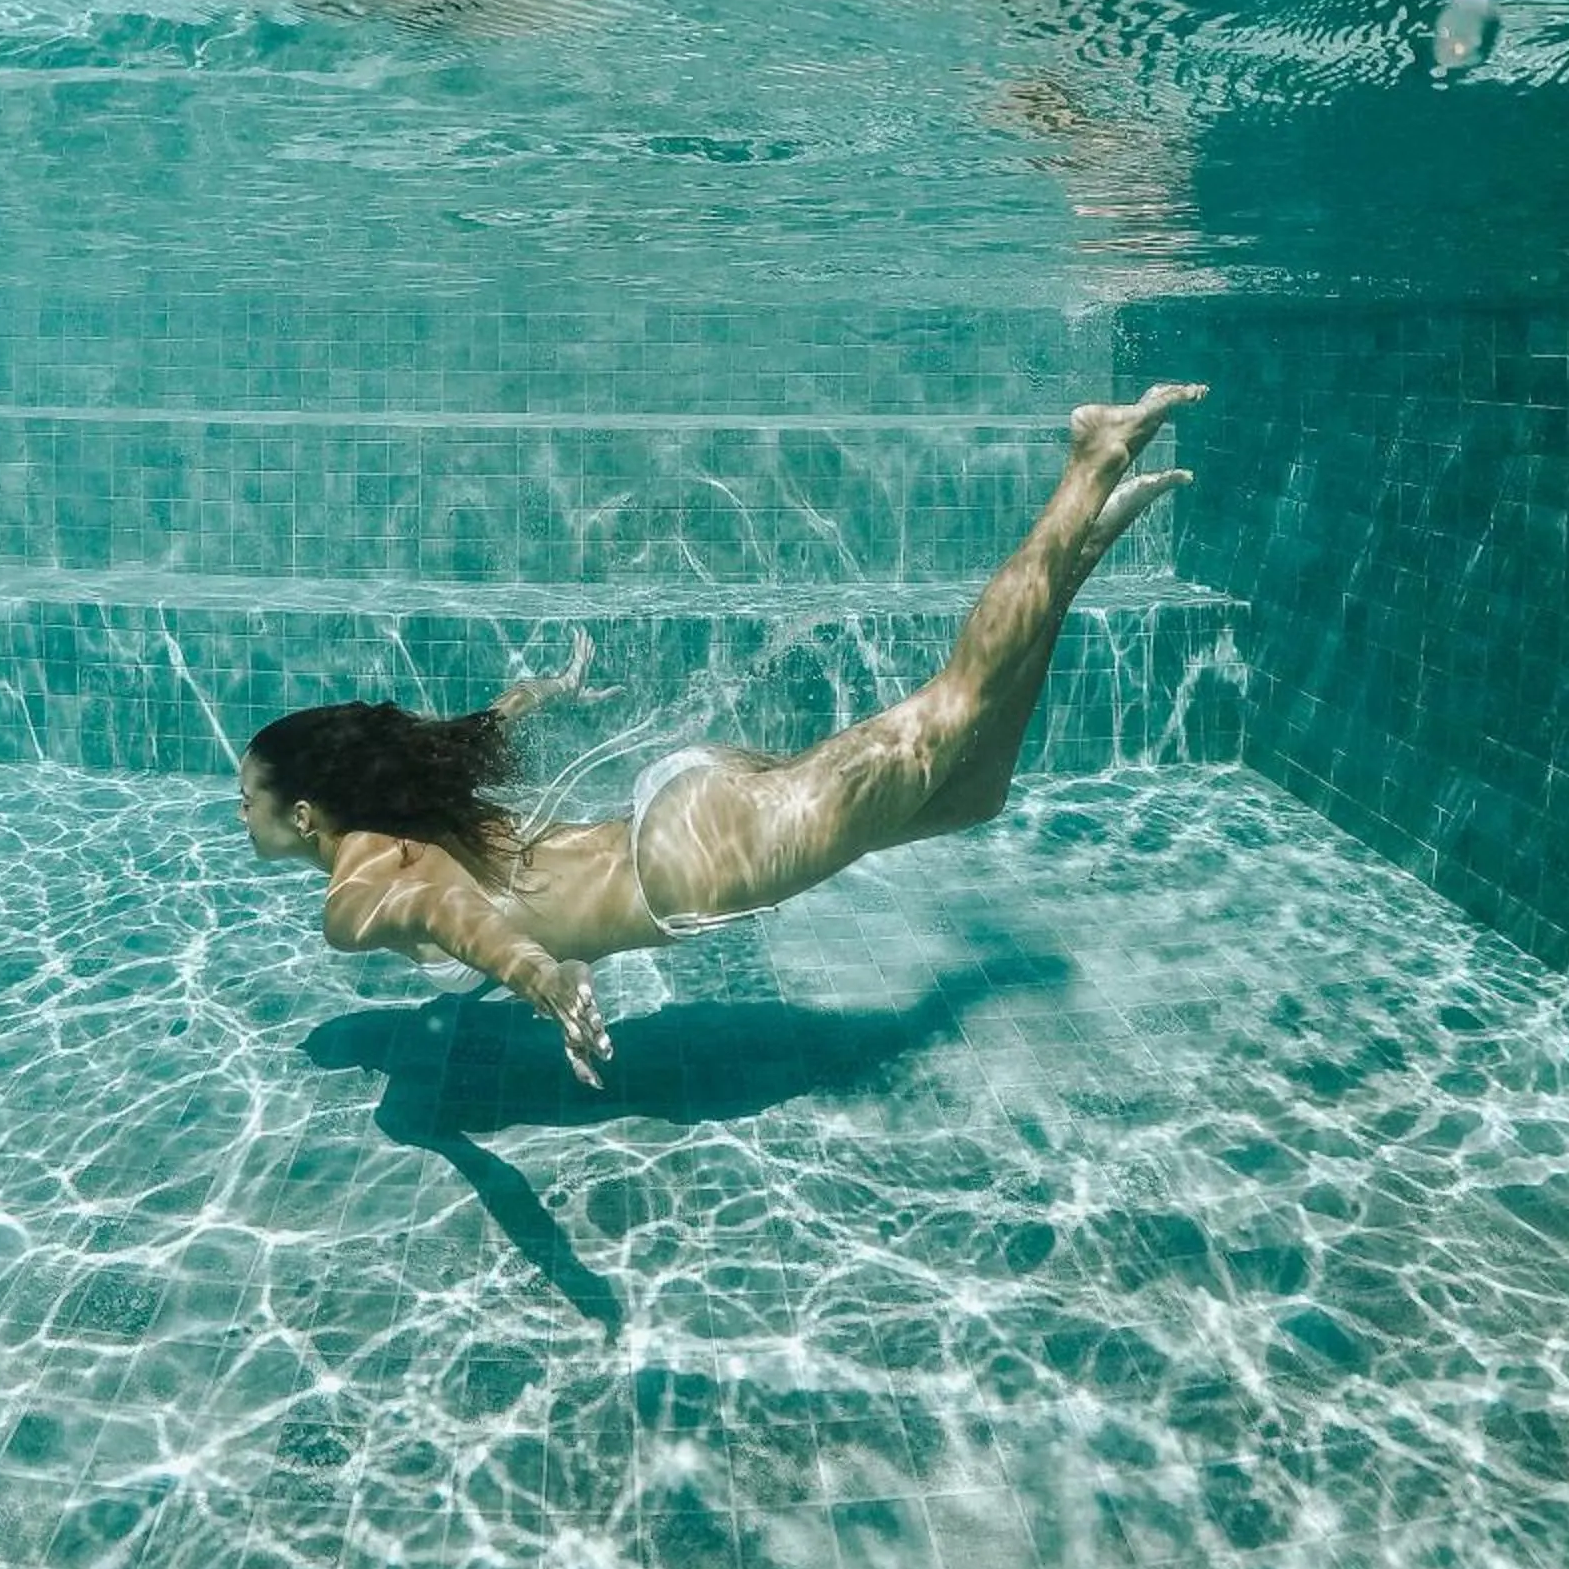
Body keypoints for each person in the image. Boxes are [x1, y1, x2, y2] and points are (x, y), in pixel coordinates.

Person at [239, 385, 1203, 1085]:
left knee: (947, 709)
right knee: (969, 791)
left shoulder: (358, 894)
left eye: (251, 797)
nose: (242, 814)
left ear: (307, 809)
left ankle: (1087, 466)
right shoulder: (409, 816)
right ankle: (1074, 558)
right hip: (682, 816)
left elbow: (448, 915)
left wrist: (539, 978)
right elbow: (484, 755)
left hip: (692, 869)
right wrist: (544, 694)